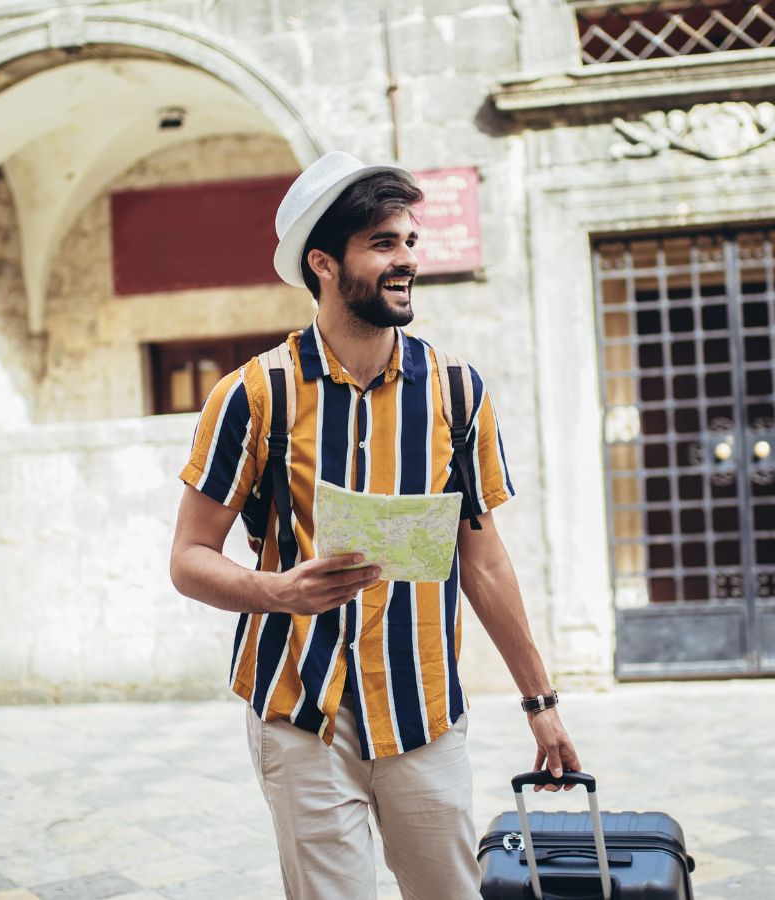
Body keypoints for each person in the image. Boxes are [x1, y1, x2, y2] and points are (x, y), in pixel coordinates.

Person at [168, 151, 580, 899]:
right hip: (300, 715)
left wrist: (540, 705)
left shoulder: (457, 390)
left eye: (410, 242)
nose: (406, 261)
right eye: (383, 244)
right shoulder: (253, 394)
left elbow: (483, 564)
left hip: (424, 713)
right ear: (323, 263)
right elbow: (189, 557)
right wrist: (276, 590)